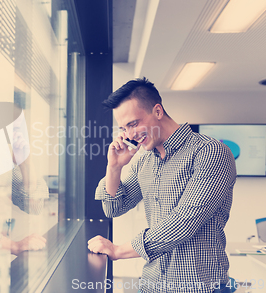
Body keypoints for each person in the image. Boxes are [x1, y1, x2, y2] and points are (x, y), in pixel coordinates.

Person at [87, 78, 237, 293]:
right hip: (152, 284)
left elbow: (184, 222)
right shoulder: (145, 161)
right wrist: (114, 167)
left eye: (133, 124)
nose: (129, 135)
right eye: (123, 128)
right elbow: (113, 208)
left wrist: (118, 250)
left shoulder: (210, 152)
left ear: (157, 111)